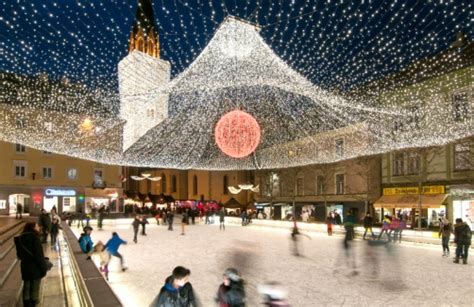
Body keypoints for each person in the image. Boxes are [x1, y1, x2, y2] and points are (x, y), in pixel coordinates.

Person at [14, 222, 48, 307]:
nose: (38, 227)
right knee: (35, 286)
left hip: (25, 266)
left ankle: (26, 303)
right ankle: (33, 301)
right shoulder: (35, 239)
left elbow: (19, 255)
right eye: (37, 226)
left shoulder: (20, 239)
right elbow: (39, 256)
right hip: (35, 267)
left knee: (27, 284)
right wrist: (44, 269)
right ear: (32, 228)